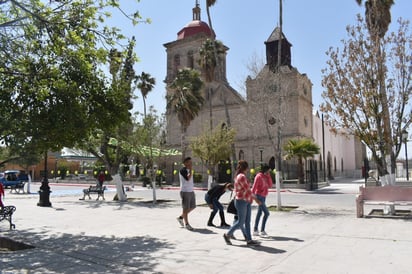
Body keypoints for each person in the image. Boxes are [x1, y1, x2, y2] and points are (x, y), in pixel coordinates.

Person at [223, 160, 260, 246]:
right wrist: (256, 199)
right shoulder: (241, 176)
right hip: (241, 201)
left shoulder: (240, 176)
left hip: (246, 201)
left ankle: (249, 240)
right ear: (246, 168)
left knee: (247, 222)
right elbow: (247, 189)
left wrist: (251, 199)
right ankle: (227, 234)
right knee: (241, 221)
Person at [252, 163, 273, 236]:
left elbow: (270, 185)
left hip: (264, 196)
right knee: (267, 213)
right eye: (268, 171)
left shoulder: (266, 176)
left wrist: (269, 176)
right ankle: (261, 230)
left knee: (259, 213)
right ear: (265, 170)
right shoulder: (258, 176)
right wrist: (254, 198)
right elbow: (254, 188)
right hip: (259, 196)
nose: (269, 172)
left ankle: (256, 230)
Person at [177, 157, 196, 231]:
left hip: (191, 191)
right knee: (185, 208)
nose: (191, 164)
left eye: (191, 162)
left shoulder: (189, 170)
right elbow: (188, 178)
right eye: (189, 162)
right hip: (185, 191)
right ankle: (187, 224)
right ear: (185, 163)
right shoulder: (183, 170)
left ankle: (181, 217)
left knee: (193, 206)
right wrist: (191, 170)